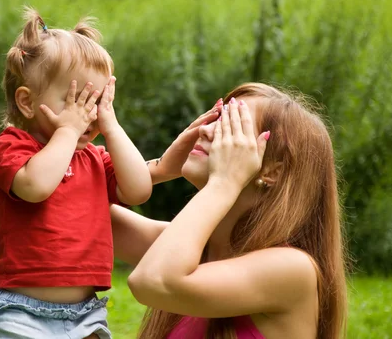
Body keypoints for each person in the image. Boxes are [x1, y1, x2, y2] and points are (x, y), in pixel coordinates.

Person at [111, 83, 348, 339]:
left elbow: (152, 282)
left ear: (272, 171)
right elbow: (72, 209)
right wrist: (157, 170)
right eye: (216, 117)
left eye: (230, 126)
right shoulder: (188, 252)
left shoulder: (292, 269)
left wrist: (225, 181)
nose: (204, 128)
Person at [0, 7, 153, 339]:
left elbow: (139, 189)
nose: (87, 116)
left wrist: (111, 127)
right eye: (76, 101)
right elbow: (36, 186)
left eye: (97, 102)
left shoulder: (93, 158)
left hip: (86, 313)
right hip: (20, 314)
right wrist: (68, 132)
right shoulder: (13, 146)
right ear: (27, 103)